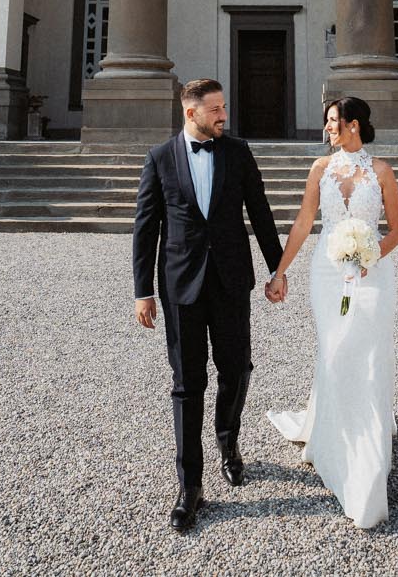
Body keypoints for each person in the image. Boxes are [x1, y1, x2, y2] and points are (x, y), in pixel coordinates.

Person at [131, 77, 286, 533]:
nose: (223, 116)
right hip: (180, 286)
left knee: (237, 368)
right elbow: (145, 229)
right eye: (215, 109)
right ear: (190, 112)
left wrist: (278, 269)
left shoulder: (238, 152)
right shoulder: (160, 158)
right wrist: (143, 292)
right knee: (186, 383)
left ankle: (229, 443)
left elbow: (260, 211)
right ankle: (189, 485)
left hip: (231, 281)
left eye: (224, 107)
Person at [264, 95, 398, 529]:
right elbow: (305, 221)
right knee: (334, 352)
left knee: (365, 352)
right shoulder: (319, 169)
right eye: (327, 121)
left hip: (371, 273)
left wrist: (371, 255)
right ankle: (334, 439)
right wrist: (279, 272)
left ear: (354, 125)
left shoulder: (380, 171)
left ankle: (370, 447)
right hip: (326, 274)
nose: (327, 127)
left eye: (333, 121)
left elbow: (397, 229)